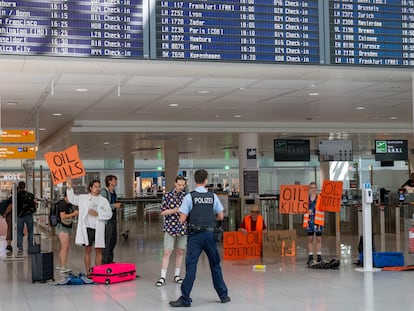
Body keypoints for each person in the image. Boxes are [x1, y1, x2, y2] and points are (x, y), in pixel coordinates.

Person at [169, 169, 230, 308]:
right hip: (210, 234)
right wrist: (209, 219)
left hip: (195, 236)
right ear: (206, 181)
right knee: (215, 265)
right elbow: (220, 216)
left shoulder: (189, 197)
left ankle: (185, 299)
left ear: (194, 181)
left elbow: (182, 219)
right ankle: (223, 295)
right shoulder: (212, 196)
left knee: (191, 266)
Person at [66, 177, 112, 274]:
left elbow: (109, 214)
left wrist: (98, 214)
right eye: (95, 186)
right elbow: (72, 199)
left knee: (99, 250)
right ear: (90, 188)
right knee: (88, 249)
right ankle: (88, 272)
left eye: (99, 187)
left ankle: (98, 272)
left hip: (98, 227)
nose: (97, 188)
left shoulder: (103, 201)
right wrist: (69, 187)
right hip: (87, 227)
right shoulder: (83, 198)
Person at [156, 175, 187, 287]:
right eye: (179, 185)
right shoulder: (167, 196)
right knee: (167, 252)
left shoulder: (186, 196)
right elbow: (162, 212)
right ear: (175, 183)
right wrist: (175, 210)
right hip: (170, 227)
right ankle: (162, 276)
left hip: (182, 228)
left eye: (183, 185)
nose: (181, 187)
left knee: (180, 251)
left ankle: (177, 275)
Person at [56, 191, 79, 274]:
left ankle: (60, 264)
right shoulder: (62, 204)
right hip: (62, 227)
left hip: (68, 226)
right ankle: (63, 267)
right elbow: (63, 216)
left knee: (64, 247)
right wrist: (74, 214)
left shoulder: (69, 204)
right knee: (64, 247)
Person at [101, 175, 122, 264]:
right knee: (107, 240)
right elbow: (102, 206)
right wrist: (114, 206)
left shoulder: (113, 192)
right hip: (107, 220)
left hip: (113, 218)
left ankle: (110, 259)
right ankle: (105, 260)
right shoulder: (104, 192)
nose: (116, 182)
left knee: (113, 240)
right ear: (109, 181)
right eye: (114, 180)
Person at [303, 182, 324, 265]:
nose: (313, 189)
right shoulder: (306, 199)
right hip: (309, 222)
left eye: (315, 187)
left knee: (319, 239)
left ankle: (319, 256)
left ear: (317, 188)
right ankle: (310, 256)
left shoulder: (320, 198)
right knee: (310, 239)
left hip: (318, 221)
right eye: (311, 188)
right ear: (309, 189)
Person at [16, 181, 36, 255]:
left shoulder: (16, 195)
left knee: (19, 231)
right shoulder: (30, 195)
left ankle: (20, 247)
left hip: (20, 216)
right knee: (30, 231)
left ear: (18, 187)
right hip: (29, 215)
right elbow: (34, 203)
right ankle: (30, 246)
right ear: (24, 186)